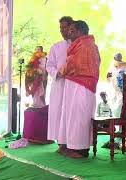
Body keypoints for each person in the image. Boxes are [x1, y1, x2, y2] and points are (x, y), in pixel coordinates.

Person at [58, 20, 101, 158]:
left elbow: (74, 64)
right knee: (73, 116)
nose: (68, 32)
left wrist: (62, 69)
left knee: (79, 116)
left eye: (71, 30)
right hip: (77, 84)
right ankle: (71, 146)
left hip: (82, 86)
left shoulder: (85, 44)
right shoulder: (84, 43)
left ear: (80, 31)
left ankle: (80, 150)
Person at [46, 16, 73, 153]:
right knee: (58, 111)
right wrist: (57, 73)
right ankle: (61, 142)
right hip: (59, 84)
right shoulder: (56, 47)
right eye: (60, 28)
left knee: (71, 112)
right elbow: (49, 66)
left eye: (65, 27)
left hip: (74, 85)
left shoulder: (78, 45)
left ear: (71, 28)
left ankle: (72, 142)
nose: (62, 30)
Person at [107, 53, 126, 117]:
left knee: (115, 98)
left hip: (117, 88)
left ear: (114, 58)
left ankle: (116, 115)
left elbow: (108, 77)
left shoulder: (113, 65)